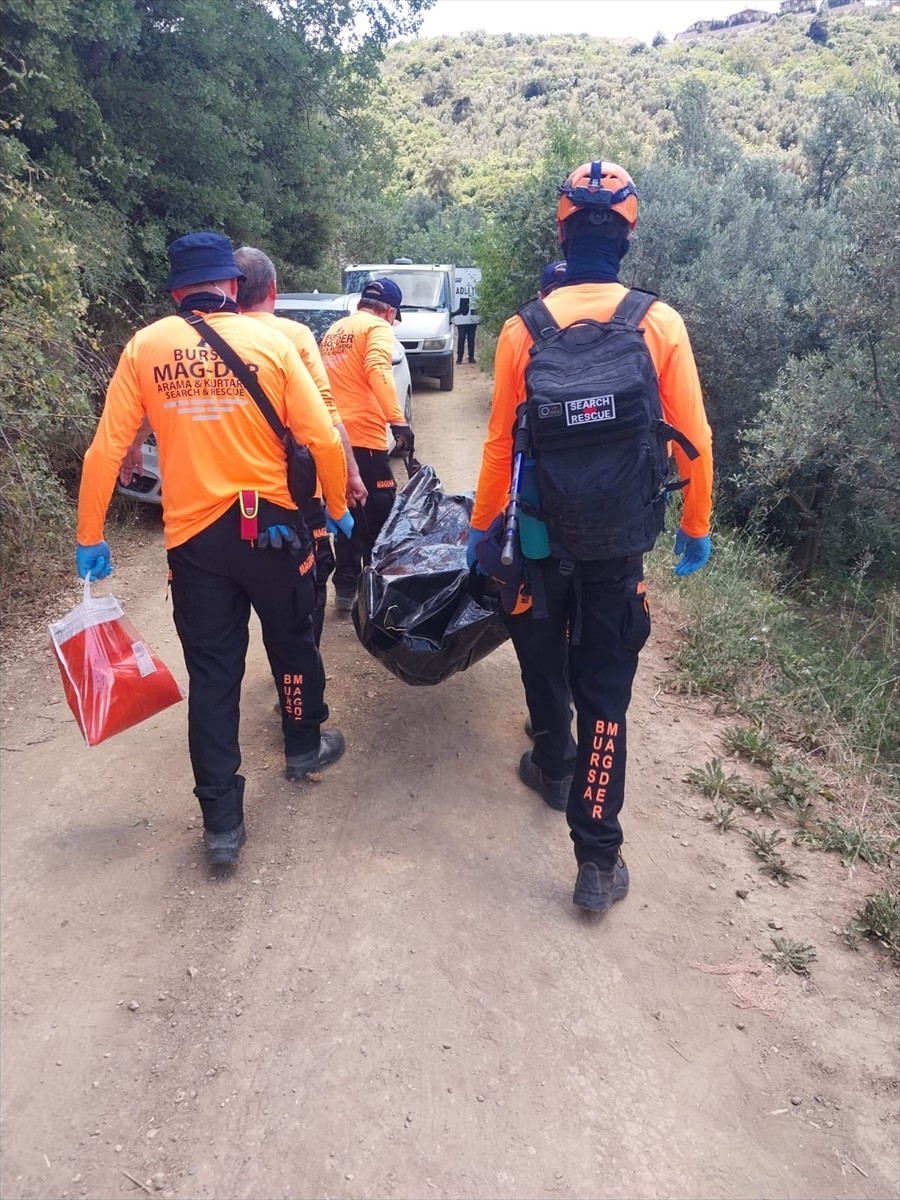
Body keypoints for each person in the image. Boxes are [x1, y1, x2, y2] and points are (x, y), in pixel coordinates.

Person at [467, 162, 714, 914]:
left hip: (539, 547)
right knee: (604, 698)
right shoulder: (657, 322)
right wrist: (694, 526)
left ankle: (551, 764)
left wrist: (484, 537)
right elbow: (694, 438)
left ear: (562, 232)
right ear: (628, 235)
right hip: (616, 552)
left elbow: (499, 448)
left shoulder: (522, 329)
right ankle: (597, 862)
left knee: (543, 659)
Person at [75, 231, 351, 868]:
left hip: (195, 544)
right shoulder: (275, 342)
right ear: (231, 284)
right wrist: (334, 506)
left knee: (215, 677)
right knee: (292, 641)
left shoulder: (146, 347)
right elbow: (323, 441)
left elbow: (105, 452)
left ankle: (222, 824)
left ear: (176, 291)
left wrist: (91, 536)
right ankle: (303, 745)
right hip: (276, 532)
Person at [233, 245, 367, 645]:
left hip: (227, 496)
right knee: (304, 580)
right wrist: (348, 478)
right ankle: (296, 675)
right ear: (273, 288)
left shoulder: (202, 337)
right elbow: (325, 419)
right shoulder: (294, 335)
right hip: (293, 490)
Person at [318, 278, 414, 611]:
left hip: (332, 436)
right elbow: (377, 368)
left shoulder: (335, 331)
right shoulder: (377, 328)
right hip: (364, 437)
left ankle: (345, 588)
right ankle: (379, 597)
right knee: (380, 514)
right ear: (389, 310)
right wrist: (398, 420)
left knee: (347, 509)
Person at [453, 295, 478, 364]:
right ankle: (460, 357)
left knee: (471, 339)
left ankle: (471, 357)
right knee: (462, 338)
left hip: (471, 320)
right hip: (463, 320)